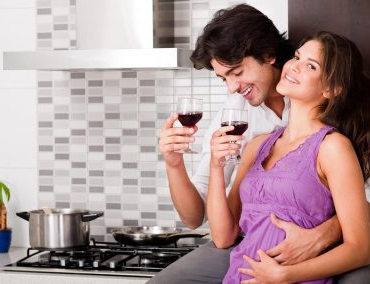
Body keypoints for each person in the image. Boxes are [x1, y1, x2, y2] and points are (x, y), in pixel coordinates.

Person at [150, 3, 370, 284]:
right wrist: (175, 162)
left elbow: (359, 224)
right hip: (251, 244)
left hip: (323, 246)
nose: (232, 88)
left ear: (269, 55)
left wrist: (323, 235)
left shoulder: (332, 134)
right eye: (223, 78)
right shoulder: (245, 125)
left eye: (238, 72)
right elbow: (204, 222)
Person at [208, 30, 370, 283]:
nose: (294, 66)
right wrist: (216, 167)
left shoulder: (333, 148)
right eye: (296, 57)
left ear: (332, 88)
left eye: (311, 65)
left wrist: (285, 275)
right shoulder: (258, 145)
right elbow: (223, 236)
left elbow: (361, 248)